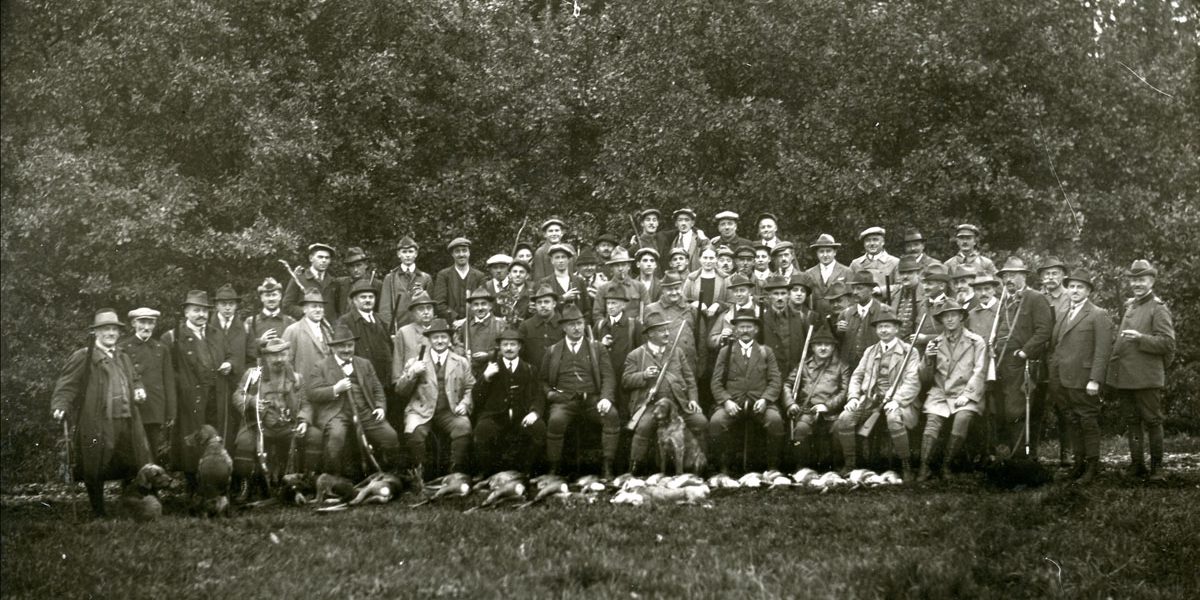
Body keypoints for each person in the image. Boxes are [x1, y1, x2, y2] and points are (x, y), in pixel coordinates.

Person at [52, 309, 153, 517]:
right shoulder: (85, 356)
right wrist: (60, 405)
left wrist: (138, 388)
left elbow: (134, 378)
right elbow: (67, 384)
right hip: (98, 421)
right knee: (96, 464)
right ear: (96, 332)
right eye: (106, 329)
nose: (111, 333)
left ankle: (129, 505)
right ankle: (98, 511)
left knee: (132, 462)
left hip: (127, 419)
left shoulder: (122, 356)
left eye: (114, 329)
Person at [835, 306, 922, 481]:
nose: (883, 330)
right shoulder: (870, 351)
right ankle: (851, 465)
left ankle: (906, 465)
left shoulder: (909, 351)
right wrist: (853, 397)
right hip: (870, 400)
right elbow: (857, 376)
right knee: (845, 418)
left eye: (888, 326)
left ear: (896, 329)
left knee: (894, 419)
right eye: (880, 327)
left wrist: (897, 400)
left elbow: (912, 381)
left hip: (898, 400)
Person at [1107, 260, 1175, 481]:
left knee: (1153, 422)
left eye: (1141, 280)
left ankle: (1157, 468)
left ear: (1152, 281)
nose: (1137, 284)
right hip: (1126, 376)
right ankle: (1137, 466)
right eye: (1134, 280)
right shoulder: (1132, 305)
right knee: (1132, 421)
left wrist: (1141, 339)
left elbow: (1168, 343)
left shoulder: (1158, 308)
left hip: (1146, 377)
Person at [305, 323, 402, 475]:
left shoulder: (364, 364)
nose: (346, 350)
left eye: (350, 345)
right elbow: (312, 392)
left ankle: (390, 474)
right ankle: (332, 478)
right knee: (336, 438)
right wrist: (335, 389)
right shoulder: (321, 366)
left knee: (390, 436)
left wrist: (380, 407)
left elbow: (377, 389)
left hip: (365, 411)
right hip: (337, 413)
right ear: (333, 348)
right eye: (341, 346)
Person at [162, 290, 232, 492]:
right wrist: (183, 385)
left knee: (215, 441)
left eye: (204, 311)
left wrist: (229, 363)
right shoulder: (172, 337)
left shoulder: (216, 334)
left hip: (215, 397)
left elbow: (230, 355)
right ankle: (193, 488)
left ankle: (214, 484)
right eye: (196, 310)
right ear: (186, 312)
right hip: (189, 400)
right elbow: (167, 371)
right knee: (191, 444)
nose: (201, 315)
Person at [1048, 269, 1113, 484]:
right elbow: (1057, 345)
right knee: (1072, 420)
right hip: (1062, 379)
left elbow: (1103, 350)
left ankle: (1092, 467)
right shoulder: (1064, 312)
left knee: (1088, 421)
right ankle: (1079, 464)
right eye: (1072, 287)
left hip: (1084, 380)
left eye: (1080, 287)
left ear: (1088, 291)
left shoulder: (1098, 314)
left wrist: (1095, 379)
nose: (1075, 291)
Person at [623, 311, 707, 474]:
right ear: (650, 334)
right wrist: (644, 375)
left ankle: (701, 467)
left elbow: (690, 379)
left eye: (667, 329)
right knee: (643, 427)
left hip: (678, 404)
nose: (667, 333)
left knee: (700, 422)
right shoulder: (636, 355)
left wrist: (693, 400)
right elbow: (625, 381)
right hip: (651, 406)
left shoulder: (677, 352)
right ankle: (634, 468)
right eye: (662, 330)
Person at [540, 305, 618, 478]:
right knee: (555, 420)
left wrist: (605, 398)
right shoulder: (552, 351)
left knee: (611, 416)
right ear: (564, 327)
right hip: (564, 400)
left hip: (592, 400)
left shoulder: (597, 348)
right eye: (572, 324)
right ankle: (554, 468)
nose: (576, 328)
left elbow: (608, 376)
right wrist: (550, 394)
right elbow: (543, 380)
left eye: (579, 323)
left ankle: (608, 466)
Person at [916, 300, 988, 481]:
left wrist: (968, 395)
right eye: (945, 316)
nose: (949, 319)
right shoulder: (935, 343)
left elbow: (980, 371)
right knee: (932, 421)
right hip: (940, 392)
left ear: (961, 317)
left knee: (963, 418)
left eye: (953, 315)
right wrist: (928, 358)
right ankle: (924, 467)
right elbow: (925, 378)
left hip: (965, 392)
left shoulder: (976, 342)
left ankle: (946, 465)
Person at [230, 338, 308, 502]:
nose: (279, 359)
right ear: (266, 357)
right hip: (258, 425)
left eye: (282, 355)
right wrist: (252, 401)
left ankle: (295, 484)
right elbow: (237, 396)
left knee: (309, 437)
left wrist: (303, 421)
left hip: (287, 425)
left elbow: (306, 403)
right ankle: (246, 485)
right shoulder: (254, 374)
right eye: (274, 355)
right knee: (244, 442)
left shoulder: (296, 378)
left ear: (288, 355)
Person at [992, 256, 1054, 459]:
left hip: (1021, 363)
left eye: (1013, 275)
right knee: (1003, 410)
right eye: (1005, 276)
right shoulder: (1004, 301)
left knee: (1017, 410)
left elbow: (1044, 330)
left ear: (1024, 276)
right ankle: (1013, 455)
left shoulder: (1036, 298)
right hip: (1001, 363)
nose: (1008, 279)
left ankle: (1021, 459)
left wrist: (1025, 352)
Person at [396, 318, 475, 476]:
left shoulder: (461, 362)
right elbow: (400, 391)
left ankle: (455, 472)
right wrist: (412, 373)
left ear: (450, 339)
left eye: (444, 337)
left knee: (464, 427)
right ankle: (421, 474)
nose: (440, 341)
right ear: (429, 339)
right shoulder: (415, 361)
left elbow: (470, 386)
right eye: (435, 337)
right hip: (420, 410)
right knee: (414, 431)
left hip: (449, 410)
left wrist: (465, 403)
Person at [709, 310, 784, 473]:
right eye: (741, 327)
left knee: (775, 420)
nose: (745, 331)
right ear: (735, 330)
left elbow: (775, 381)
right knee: (716, 422)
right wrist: (726, 401)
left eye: (749, 327)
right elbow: (716, 382)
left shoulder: (766, 351)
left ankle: (773, 467)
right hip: (733, 402)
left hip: (759, 402)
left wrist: (765, 400)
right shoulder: (725, 352)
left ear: (756, 330)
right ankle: (722, 467)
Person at [474, 329, 546, 475]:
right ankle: (488, 474)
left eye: (513, 344)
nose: (509, 348)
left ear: (519, 347)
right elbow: (477, 397)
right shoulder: (491, 368)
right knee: (482, 430)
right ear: (499, 347)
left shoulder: (530, 369)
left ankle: (526, 472)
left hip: (522, 415)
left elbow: (538, 395)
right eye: (505, 344)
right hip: (496, 415)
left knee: (538, 428)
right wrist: (485, 378)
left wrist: (534, 413)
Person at [782, 325, 850, 467]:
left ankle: (838, 468)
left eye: (827, 345)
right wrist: (790, 403)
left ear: (833, 347)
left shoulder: (842, 367)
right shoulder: (803, 366)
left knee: (839, 428)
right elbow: (788, 384)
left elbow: (844, 391)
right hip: (808, 411)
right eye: (819, 344)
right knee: (800, 429)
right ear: (812, 347)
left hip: (832, 413)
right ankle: (802, 468)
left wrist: (827, 406)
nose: (823, 348)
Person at [119, 307, 176, 464]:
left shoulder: (161, 349)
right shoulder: (123, 348)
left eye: (150, 323)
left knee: (152, 449)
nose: (146, 327)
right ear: (133, 324)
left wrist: (171, 412)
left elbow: (168, 381)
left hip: (155, 407)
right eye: (142, 322)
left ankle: (153, 478)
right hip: (132, 407)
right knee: (131, 450)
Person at [1037, 255, 1071, 465]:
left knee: (1064, 405)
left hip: (1062, 356)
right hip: (1039, 357)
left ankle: (1067, 453)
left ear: (1063, 276)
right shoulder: (1037, 297)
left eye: (1054, 273)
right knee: (1036, 403)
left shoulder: (1070, 296)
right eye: (1046, 274)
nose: (1050, 278)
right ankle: (1031, 454)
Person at [390, 290, 437, 432]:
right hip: (412, 388)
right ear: (412, 313)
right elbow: (397, 362)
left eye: (429, 308)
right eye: (421, 309)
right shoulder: (404, 332)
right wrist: (400, 381)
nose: (426, 312)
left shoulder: (440, 329)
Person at [340, 279, 394, 396]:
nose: (368, 300)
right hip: (361, 382)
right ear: (355, 300)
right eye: (363, 297)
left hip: (384, 380)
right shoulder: (346, 321)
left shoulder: (381, 321)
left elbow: (390, 349)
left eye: (371, 297)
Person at [596, 288, 643, 421]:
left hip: (626, 380)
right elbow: (591, 353)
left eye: (614, 303)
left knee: (625, 413)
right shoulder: (600, 326)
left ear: (623, 305)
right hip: (604, 380)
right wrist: (601, 344)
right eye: (608, 303)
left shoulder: (634, 325)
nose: (610, 307)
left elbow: (642, 352)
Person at [211, 283, 247, 450]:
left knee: (236, 425)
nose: (227, 308)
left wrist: (235, 367)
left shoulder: (244, 328)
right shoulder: (207, 326)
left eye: (231, 304)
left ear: (236, 306)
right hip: (213, 386)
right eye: (223, 304)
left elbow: (251, 357)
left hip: (236, 384)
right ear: (216, 305)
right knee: (213, 423)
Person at [379, 235, 433, 332]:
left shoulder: (425, 278)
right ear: (398, 254)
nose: (407, 255)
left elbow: (430, 309)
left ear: (416, 254)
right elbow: (385, 309)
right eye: (404, 252)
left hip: (420, 329)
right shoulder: (390, 278)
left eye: (410, 251)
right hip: (398, 329)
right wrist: (390, 330)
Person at [645, 273, 698, 371]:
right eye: (669, 289)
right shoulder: (652, 309)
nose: (674, 292)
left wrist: (701, 365)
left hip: (689, 364)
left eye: (677, 288)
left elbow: (700, 339)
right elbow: (646, 340)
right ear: (663, 290)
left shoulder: (691, 309)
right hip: (663, 365)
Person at [761, 275, 810, 380]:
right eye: (776, 294)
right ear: (769, 296)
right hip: (770, 378)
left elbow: (808, 348)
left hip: (795, 378)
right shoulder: (761, 321)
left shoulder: (801, 319)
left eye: (783, 293)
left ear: (788, 295)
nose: (780, 298)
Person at [453, 287, 507, 378]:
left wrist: (489, 355)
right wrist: (463, 353)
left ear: (490, 306)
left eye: (483, 304)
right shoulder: (465, 326)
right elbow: (458, 346)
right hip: (471, 375)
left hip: (494, 374)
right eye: (476, 304)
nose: (480, 308)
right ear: (471, 307)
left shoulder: (500, 325)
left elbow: (507, 349)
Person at [836, 271, 886, 369]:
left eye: (859, 288)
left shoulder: (884, 311)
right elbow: (839, 343)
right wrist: (839, 331)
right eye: (853, 288)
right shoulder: (846, 314)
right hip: (850, 367)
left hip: (875, 366)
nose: (855, 292)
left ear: (871, 290)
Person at [281, 289, 334, 379]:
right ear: (305, 309)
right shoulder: (293, 330)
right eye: (314, 306)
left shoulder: (327, 331)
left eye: (321, 307)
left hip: (326, 383)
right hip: (304, 384)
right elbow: (285, 362)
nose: (318, 310)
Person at [282, 243, 343, 320]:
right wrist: (305, 312)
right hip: (306, 325)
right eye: (320, 257)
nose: (324, 260)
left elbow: (338, 309)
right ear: (311, 258)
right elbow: (287, 305)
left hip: (329, 326)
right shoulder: (299, 279)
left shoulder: (333, 282)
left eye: (327, 258)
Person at [433, 237, 487, 323]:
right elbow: (439, 303)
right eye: (457, 251)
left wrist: (467, 321)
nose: (461, 254)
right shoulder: (443, 275)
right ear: (452, 254)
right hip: (451, 324)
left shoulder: (479, 276)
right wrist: (454, 319)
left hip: (474, 323)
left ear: (469, 252)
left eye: (464, 250)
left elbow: (483, 303)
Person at [244, 277, 295, 365]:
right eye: (267, 295)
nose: (271, 299)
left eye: (274, 295)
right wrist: (260, 341)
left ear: (280, 296)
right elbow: (242, 349)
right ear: (261, 298)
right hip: (260, 369)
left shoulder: (290, 322)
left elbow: (296, 349)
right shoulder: (250, 322)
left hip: (284, 369)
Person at [593, 247, 648, 323]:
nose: (620, 268)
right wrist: (606, 326)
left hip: (634, 328)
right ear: (611, 268)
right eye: (616, 265)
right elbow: (597, 315)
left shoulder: (639, 287)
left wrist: (639, 326)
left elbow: (647, 310)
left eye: (623, 265)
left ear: (629, 266)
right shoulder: (603, 289)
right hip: (611, 327)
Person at [707, 273, 760, 349]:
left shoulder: (760, 312)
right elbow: (710, 341)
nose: (738, 294)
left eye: (742, 290)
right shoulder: (726, 314)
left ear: (750, 292)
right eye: (735, 291)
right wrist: (721, 337)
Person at [518, 284, 563, 371]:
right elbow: (519, 354)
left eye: (546, 302)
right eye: (539, 302)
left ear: (554, 304)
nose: (543, 305)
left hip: (557, 374)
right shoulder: (526, 326)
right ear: (535, 305)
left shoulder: (563, 325)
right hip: (533, 375)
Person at [540, 243, 590, 319]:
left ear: (568, 260)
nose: (561, 260)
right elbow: (544, 308)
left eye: (563, 257)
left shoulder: (579, 281)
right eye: (557, 257)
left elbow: (587, 309)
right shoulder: (545, 282)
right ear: (552, 261)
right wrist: (563, 298)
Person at [848, 226, 900, 297]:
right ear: (864, 244)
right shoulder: (856, 264)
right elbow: (848, 286)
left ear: (883, 242)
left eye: (875, 240)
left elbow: (900, 286)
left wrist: (881, 290)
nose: (872, 243)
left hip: (886, 302)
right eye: (868, 240)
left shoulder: (895, 262)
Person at [804, 234, 852, 306]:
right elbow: (806, 299)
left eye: (828, 251)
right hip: (816, 312)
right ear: (817, 253)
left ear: (835, 252)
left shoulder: (847, 272)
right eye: (821, 251)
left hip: (839, 312)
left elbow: (852, 298)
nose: (825, 255)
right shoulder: (809, 273)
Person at [532, 217, 571, 281]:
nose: (554, 234)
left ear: (562, 233)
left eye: (557, 230)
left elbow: (575, 271)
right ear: (545, 234)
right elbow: (539, 278)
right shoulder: (540, 252)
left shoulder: (569, 249)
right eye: (550, 231)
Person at [336, 247, 372, 312]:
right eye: (352, 266)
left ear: (366, 265)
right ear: (347, 268)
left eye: (359, 265)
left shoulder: (375, 284)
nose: (355, 270)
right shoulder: (341, 284)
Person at [502, 259, 533, 328]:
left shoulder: (533, 293)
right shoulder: (502, 293)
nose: (518, 275)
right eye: (515, 272)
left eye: (521, 272)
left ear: (527, 275)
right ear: (509, 274)